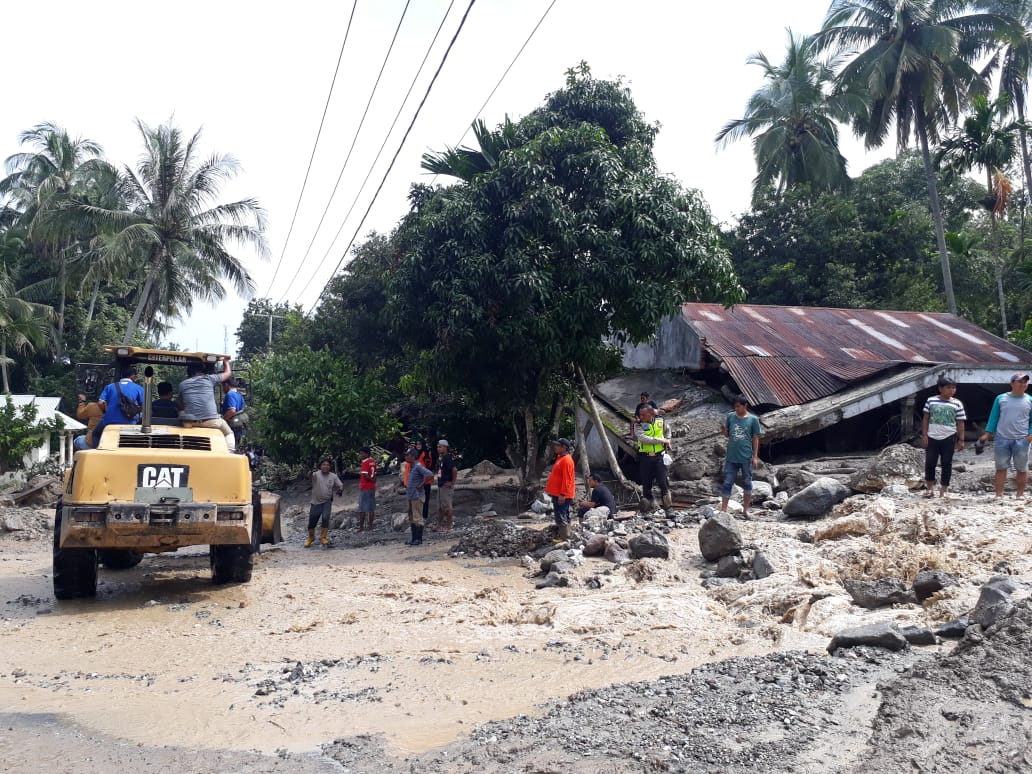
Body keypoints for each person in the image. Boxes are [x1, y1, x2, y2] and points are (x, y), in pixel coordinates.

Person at [978, 372, 1032, 499]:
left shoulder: (1030, 400)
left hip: (1022, 439)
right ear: (1012, 383)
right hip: (1002, 438)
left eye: (1025, 382)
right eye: (1020, 381)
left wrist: (1029, 437)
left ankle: (1020, 495)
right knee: (1001, 468)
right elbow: (994, 417)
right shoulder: (1000, 398)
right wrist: (987, 434)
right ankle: (999, 495)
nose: (1023, 384)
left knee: (1022, 469)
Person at [922, 376, 966, 499]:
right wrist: (924, 435)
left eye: (953, 388)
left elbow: (960, 422)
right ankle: (929, 489)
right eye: (948, 387)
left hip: (949, 436)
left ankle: (944, 490)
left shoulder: (957, 403)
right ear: (940, 388)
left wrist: (961, 439)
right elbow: (926, 418)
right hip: (932, 436)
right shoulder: (931, 401)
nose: (952, 390)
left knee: (947, 463)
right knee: (930, 462)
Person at [719, 395, 763, 517]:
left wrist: (755, 456)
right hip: (731, 457)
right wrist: (724, 431)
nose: (736, 409)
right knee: (727, 482)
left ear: (745, 406)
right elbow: (728, 435)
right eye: (735, 407)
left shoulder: (753, 420)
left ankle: (746, 510)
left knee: (747, 483)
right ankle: (723, 511)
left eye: (738, 406)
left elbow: (755, 438)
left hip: (746, 457)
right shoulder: (731, 416)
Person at [178, 360, 236, 451]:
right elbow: (228, 373)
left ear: (189, 372)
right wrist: (225, 361)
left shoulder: (182, 384)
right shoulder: (209, 379)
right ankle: (229, 452)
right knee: (228, 433)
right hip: (211, 421)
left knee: (181, 413)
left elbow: (182, 406)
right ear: (202, 371)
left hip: (190, 422)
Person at [91, 367, 145, 447]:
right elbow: (144, 406)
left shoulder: (109, 387)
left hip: (109, 421)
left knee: (95, 434)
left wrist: (106, 411)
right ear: (133, 376)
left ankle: (97, 450)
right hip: (129, 422)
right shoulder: (138, 388)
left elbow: (100, 403)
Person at [634, 405, 672, 511]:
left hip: (659, 456)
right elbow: (644, 438)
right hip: (645, 457)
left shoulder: (660, 420)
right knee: (646, 484)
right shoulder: (638, 425)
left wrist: (668, 440)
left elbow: (668, 430)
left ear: (650, 413)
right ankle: (648, 509)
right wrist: (662, 440)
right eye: (640, 414)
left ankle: (669, 508)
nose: (641, 417)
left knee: (663, 482)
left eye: (643, 414)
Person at [306, 459, 343, 547]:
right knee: (312, 521)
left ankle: (323, 537)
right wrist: (311, 472)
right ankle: (311, 537)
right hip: (315, 502)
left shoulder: (333, 476)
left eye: (327, 465)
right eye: (323, 464)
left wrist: (340, 490)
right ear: (320, 466)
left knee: (326, 518)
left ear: (330, 467)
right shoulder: (316, 474)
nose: (325, 466)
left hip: (327, 501)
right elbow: (309, 476)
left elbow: (340, 484)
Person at [545, 438, 576, 540]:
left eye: (558, 445)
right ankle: (567, 535)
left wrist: (562, 494)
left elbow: (567, 479)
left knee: (560, 515)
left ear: (564, 447)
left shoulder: (566, 460)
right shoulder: (560, 457)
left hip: (562, 494)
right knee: (564, 513)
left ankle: (564, 538)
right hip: (558, 493)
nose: (555, 447)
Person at [403, 447, 434, 546]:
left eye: (407, 455)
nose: (406, 457)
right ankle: (413, 538)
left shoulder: (418, 466)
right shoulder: (411, 466)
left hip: (417, 496)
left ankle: (418, 539)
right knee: (412, 517)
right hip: (411, 496)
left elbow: (430, 474)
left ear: (413, 456)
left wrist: (421, 485)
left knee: (417, 517)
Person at [434, 439, 458, 532]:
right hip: (441, 485)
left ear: (445, 447)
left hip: (446, 486)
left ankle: (448, 526)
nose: (438, 448)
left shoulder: (448, 458)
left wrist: (452, 482)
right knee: (440, 508)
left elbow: (454, 470)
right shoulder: (441, 458)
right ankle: (439, 526)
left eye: (440, 447)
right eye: (437, 447)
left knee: (447, 508)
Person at [221, 377, 247, 448]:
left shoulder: (230, 395)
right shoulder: (239, 395)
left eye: (223, 386)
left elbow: (232, 410)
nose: (223, 389)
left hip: (232, 427)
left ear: (226, 385)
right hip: (239, 427)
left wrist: (222, 420)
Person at [416, 439, 435, 526]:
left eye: (419, 444)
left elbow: (428, 469)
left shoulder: (426, 454)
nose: (418, 446)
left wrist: (423, 482)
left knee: (425, 499)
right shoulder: (417, 454)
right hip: (419, 480)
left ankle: (425, 517)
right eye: (417, 444)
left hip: (425, 481)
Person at [357, 446, 377, 532]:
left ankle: (361, 527)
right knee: (371, 507)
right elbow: (375, 474)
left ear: (367, 454)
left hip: (365, 486)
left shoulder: (365, 463)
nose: (360, 455)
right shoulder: (373, 462)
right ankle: (371, 526)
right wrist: (373, 480)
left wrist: (370, 479)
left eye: (362, 453)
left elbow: (365, 475)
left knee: (362, 508)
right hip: (372, 487)